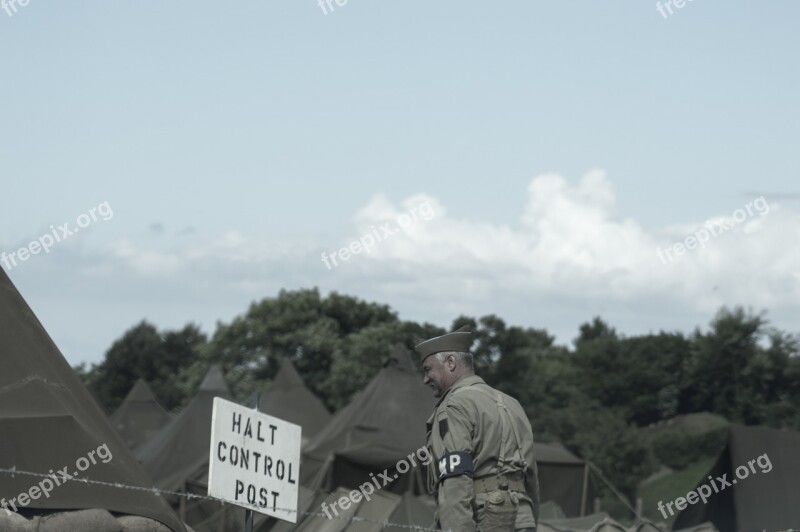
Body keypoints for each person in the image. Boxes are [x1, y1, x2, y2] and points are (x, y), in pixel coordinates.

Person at [416, 326, 540, 532]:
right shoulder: (513, 404)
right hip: (523, 520)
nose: (425, 379)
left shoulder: (455, 405)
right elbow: (532, 479)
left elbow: (455, 482)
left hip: (484, 519)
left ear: (451, 363)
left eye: (428, 369)